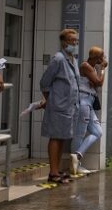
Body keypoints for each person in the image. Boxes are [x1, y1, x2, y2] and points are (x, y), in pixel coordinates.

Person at [40, 29, 81, 184]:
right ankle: (53, 172)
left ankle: (56, 170)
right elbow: (44, 82)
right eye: (71, 40)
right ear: (64, 42)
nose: (74, 43)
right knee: (55, 137)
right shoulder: (58, 59)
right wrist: (50, 100)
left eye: (76, 40)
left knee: (62, 137)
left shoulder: (73, 59)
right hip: (58, 106)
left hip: (69, 107)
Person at [69, 46, 107, 175]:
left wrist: (97, 74)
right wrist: (102, 69)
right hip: (83, 101)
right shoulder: (85, 66)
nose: (103, 59)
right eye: (101, 57)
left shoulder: (91, 68)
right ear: (97, 58)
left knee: (97, 131)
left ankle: (77, 156)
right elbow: (99, 82)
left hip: (89, 101)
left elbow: (95, 83)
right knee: (80, 133)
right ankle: (75, 165)